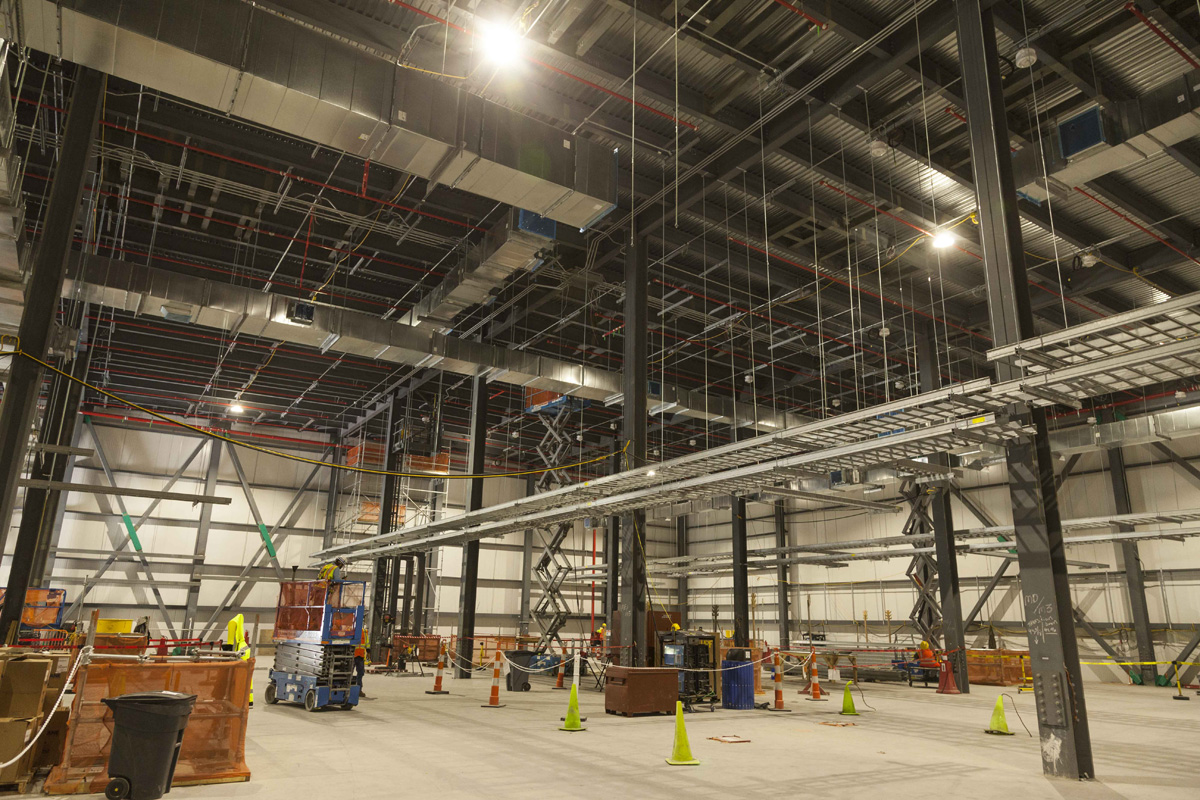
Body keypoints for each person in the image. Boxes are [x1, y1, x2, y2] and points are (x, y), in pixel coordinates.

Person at [227, 613, 254, 707]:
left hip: (243, 664)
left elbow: (239, 656)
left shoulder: (240, 646)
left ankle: (246, 700)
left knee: (242, 681)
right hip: (244, 664)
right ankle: (248, 700)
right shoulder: (240, 643)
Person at [354, 626, 369, 698]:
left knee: (360, 673)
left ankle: (359, 690)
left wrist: (368, 650)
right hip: (352, 655)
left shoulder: (364, 632)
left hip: (360, 656)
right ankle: (349, 689)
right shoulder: (352, 630)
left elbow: (367, 643)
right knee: (348, 673)